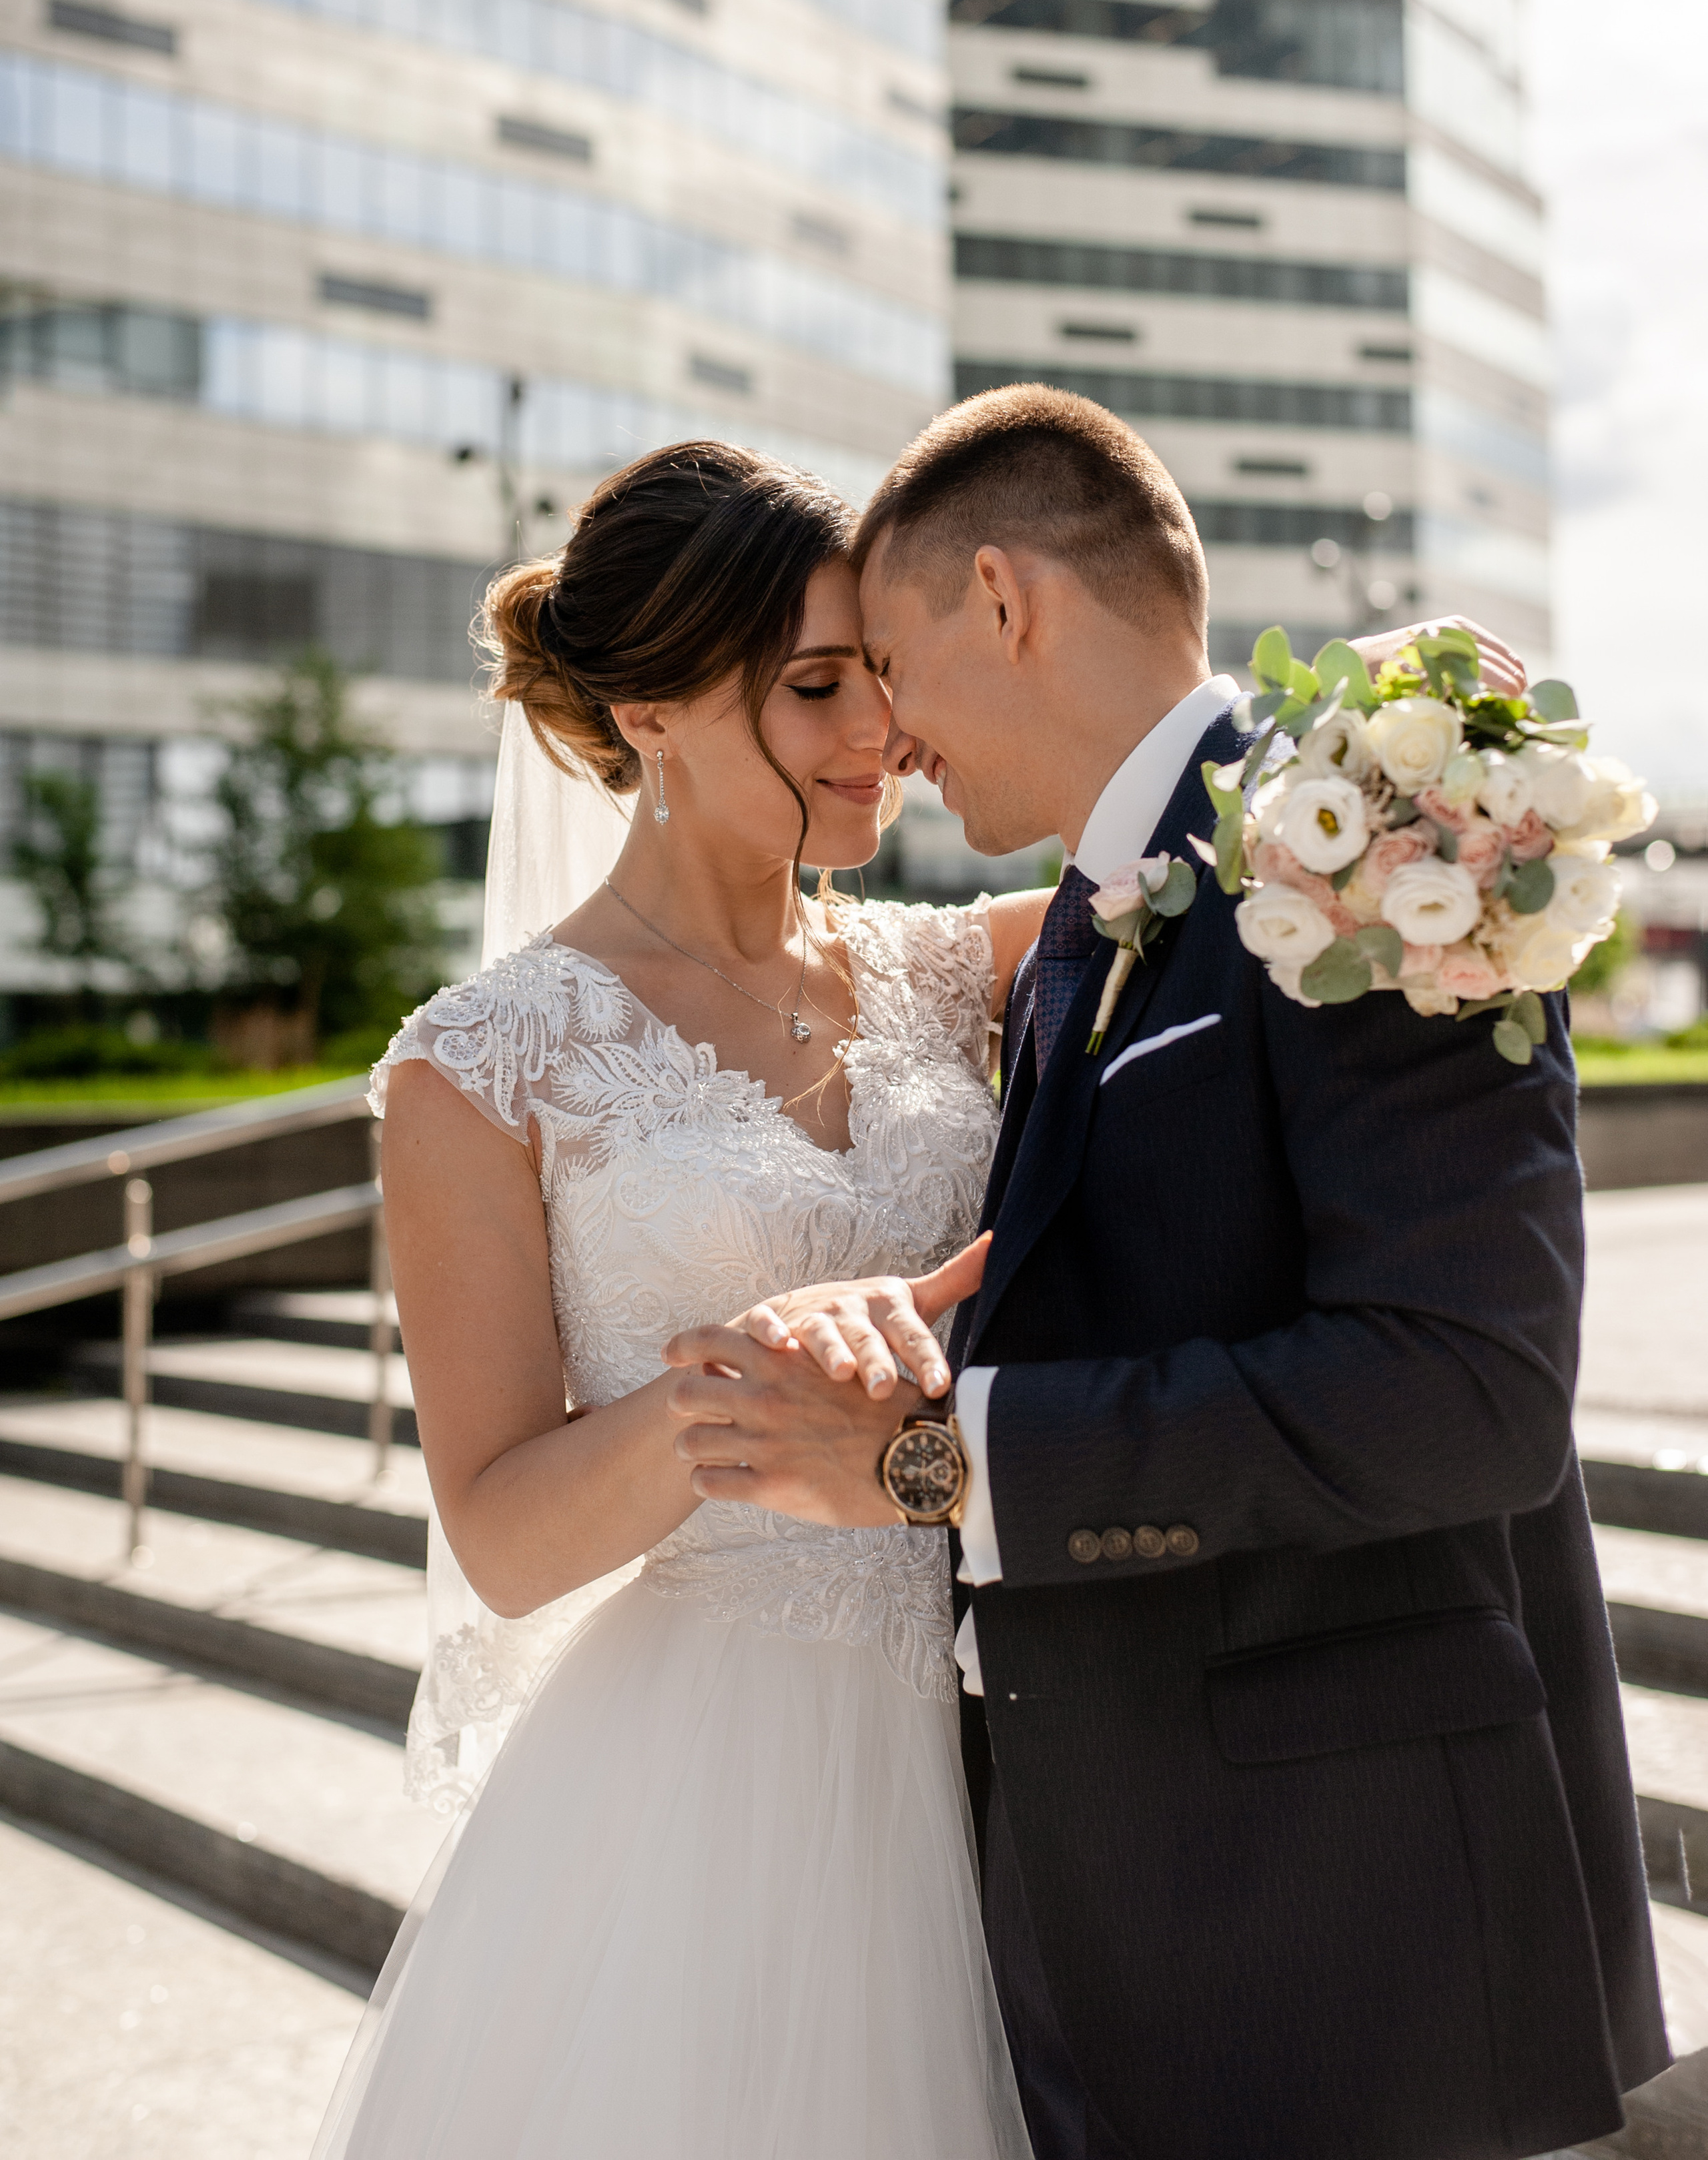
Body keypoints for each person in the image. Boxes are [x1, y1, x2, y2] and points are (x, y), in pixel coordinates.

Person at [312, 426, 1481, 2160]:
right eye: (811, 690)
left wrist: (1427, 744)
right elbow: (501, 1531)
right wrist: (745, 1389)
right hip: (710, 1789)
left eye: (880, 674)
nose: (882, 734)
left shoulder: (963, 962)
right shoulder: (478, 1068)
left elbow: (1203, 830)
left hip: (1019, 1757)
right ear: (647, 715)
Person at [664, 384, 1669, 2160]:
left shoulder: (1372, 836)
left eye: (889, 665)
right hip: (1118, 1906)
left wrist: (942, 1460)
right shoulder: (1078, 922)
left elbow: (1466, 1392)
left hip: (1362, 1941)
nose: (887, 743)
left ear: (1006, 601)